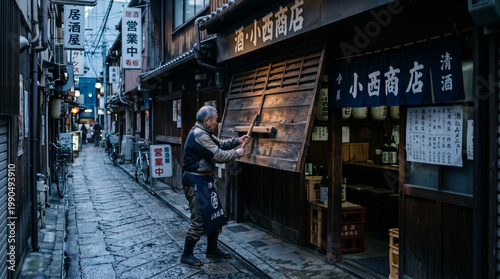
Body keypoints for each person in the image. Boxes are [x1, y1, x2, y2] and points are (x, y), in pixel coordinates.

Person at [180, 106, 250, 266]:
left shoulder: (204, 132)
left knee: (215, 217)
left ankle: (212, 249)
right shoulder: (199, 135)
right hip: (196, 182)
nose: (217, 122)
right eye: (216, 119)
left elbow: (220, 144)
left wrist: (237, 141)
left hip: (205, 181)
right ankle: (186, 254)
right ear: (207, 120)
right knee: (199, 220)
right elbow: (217, 155)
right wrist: (236, 154)